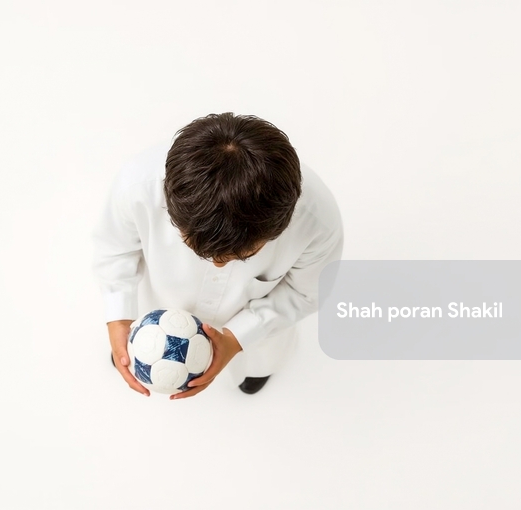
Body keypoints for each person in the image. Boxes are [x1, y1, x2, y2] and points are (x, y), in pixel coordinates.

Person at [92, 112, 343, 399]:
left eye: (241, 255)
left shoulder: (318, 222)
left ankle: (256, 371)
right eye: (197, 249)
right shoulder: (137, 185)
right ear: (170, 205)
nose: (218, 264)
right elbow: (114, 248)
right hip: (159, 305)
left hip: (261, 332)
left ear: (280, 226)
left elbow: (306, 293)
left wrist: (237, 339)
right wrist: (120, 317)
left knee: (260, 359)